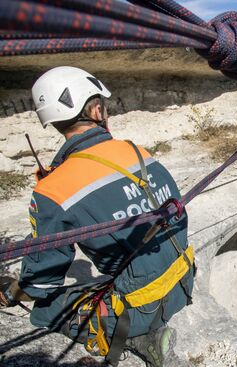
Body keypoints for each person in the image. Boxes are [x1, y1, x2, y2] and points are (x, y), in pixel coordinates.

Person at [0, 66, 194, 367]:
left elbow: (41, 282)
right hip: (184, 281)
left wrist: (10, 292)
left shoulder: (54, 188)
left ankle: (137, 338)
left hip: (142, 308)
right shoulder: (137, 150)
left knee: (46, 309)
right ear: (95, 109)